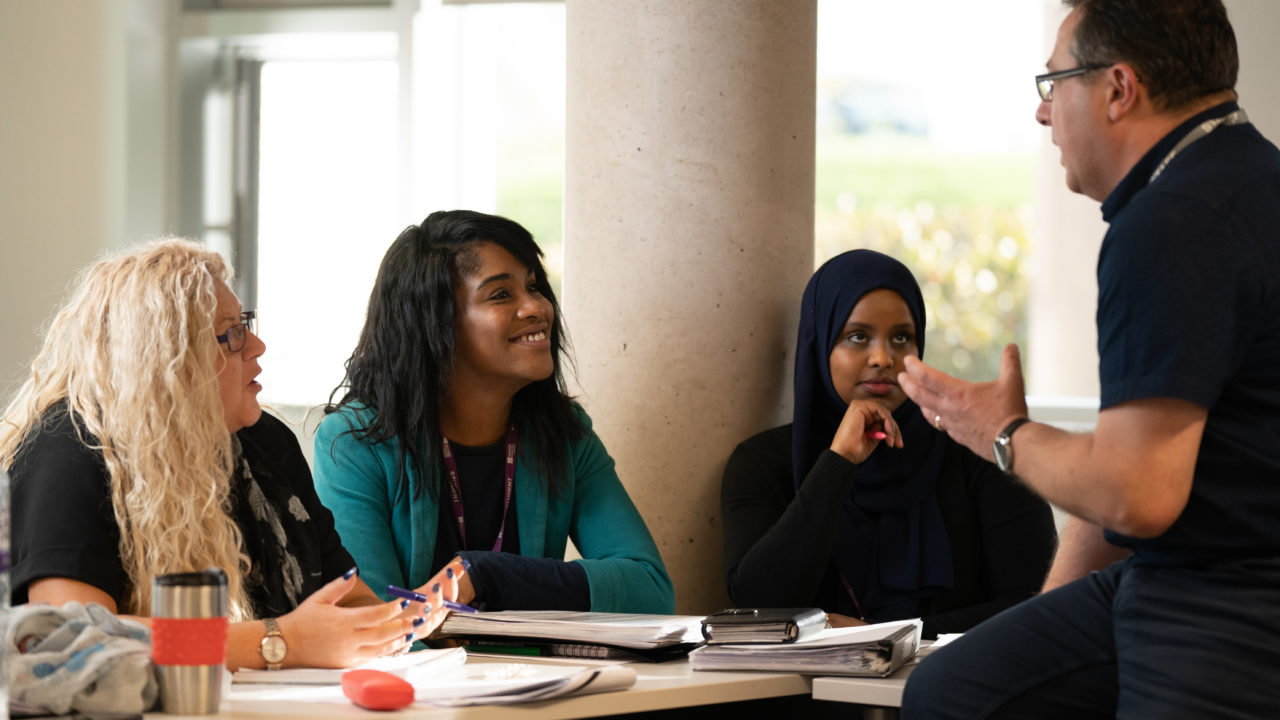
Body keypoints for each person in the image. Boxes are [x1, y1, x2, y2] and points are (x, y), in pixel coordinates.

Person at [898, 1, 1280, 717]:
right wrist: (1038, 626)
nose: (1044, 115)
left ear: (1117, 88)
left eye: (1054, 83)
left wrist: (1003, 433)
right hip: (1185, 573)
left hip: (1223, 602)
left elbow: (1137, 494)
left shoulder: (1169, 222)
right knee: (955, 687)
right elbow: (1125, 458)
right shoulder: (1250, 180)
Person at [3, 239, 447, 671]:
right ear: (166, 358)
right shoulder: (70, 447)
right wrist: (281, 642)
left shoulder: (264, 440)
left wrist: (417, 618)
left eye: (246, 324)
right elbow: (71, 637)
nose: (256, 347)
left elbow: (343, 604)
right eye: (231, 334)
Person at [314, 210, 674, 615]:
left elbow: (649, 587)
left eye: (534, 287)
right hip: (421, 679)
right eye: (501, 295)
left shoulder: (564, 434)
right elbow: (371, 622)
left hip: (537, 677)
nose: (537, 308)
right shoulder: (357, 443)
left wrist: (483, 573)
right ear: (434, 324)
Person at [721, 250, 1055, 639]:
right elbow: (757, 608)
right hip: (800, 694)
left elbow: (1036, 605)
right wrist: (838, 462)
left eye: (901, 338)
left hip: (950, 688)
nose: (883, 358)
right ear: (819, 344)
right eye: (857, 337)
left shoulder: (977, 452)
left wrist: (885, 634)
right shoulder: (763, 462)